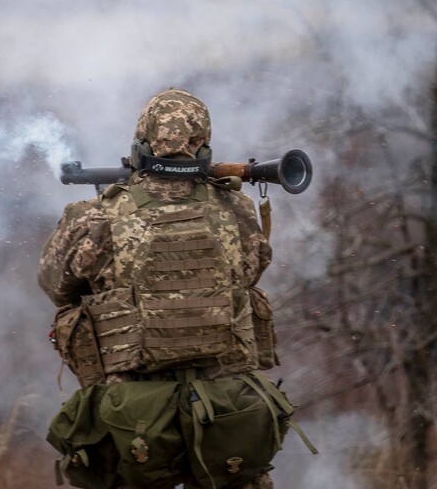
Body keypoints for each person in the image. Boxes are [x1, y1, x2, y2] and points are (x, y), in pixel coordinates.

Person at [39, 88, 291, 489]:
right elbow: (250, 273)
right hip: (227, 408)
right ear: (203, 143)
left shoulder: (94, 216)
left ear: (142, 141)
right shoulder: (237, 209)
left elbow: (55, 286)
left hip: (133, 417)